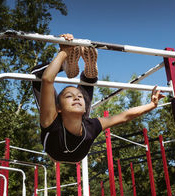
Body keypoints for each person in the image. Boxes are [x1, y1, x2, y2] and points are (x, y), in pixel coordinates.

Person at [31, 33, 164, 163]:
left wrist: (64, 52)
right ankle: (82, 73)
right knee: (43, 79)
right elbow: (124, 116)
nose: (76, 98)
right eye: (69, 96)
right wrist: (151, 105)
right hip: (71, 143)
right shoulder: (91, 126)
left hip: (61, 142)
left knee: (37, 78)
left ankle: (68, 66)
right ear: (59, 108)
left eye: (79, 96)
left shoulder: (50, 122)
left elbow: (47, 80)